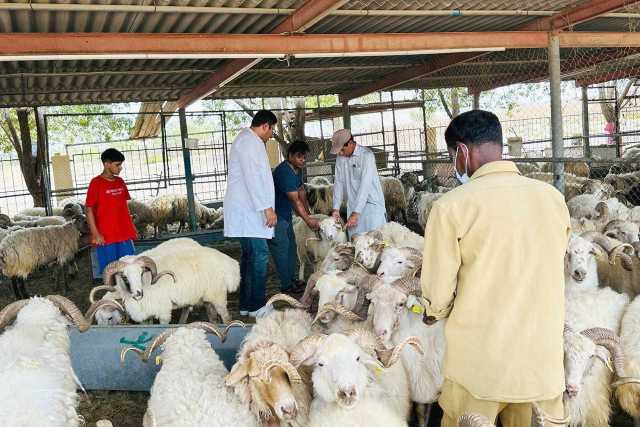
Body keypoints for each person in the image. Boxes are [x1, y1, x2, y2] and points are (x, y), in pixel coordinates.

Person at [419, 110, 571, 426]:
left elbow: (437, 293)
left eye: (451, 156)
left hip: (480, 368)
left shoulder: (451, 207)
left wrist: (432, 311)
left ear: (462, 151)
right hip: (540, 363)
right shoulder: (552, 199)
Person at [224, 110, 278, 318]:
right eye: (271, 129)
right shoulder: (250, 142)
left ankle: (247, 304)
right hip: (250, 211)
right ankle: (257, 305)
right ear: (265, 126)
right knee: (259, 255)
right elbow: (253, 178)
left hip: (248, 211)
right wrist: (267, 208)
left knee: (250, 256)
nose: (271, 134)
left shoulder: (246, 140)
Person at [268, 140, 319, 295]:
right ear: (289, 156)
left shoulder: (297, 169)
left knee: (291, 248)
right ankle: (286, 285)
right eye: (299, 157)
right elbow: (295, 200)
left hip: (285, 216)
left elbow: (301, 190)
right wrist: (308, 219)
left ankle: (291, 279)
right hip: (276, 218)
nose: (302, 160)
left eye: (304, 157)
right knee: (282, 250)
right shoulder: (284, 172)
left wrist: (309, 213)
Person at [86, 148, 138, 275]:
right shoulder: (96, 183)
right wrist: (95, 234)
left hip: (124, 235)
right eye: (117, 165)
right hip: (106, 237)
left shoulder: (120, 182)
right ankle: (114, 294)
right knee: (111, 272)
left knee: (130, 268)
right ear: (106, 164)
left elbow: (123, 207)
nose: (120, 168)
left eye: (121, 165)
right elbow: (88, 210)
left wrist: (132, 227)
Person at [330, 129, 386, 237]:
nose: (340, 153)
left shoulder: (367, 156)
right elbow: (339, 182)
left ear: (350, 143)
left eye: (342, 149)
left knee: (375, 243)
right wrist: (336, 208)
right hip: (353, 206)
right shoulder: (340, 158)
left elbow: (365, 185)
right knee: (356, 243)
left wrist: (356, 213)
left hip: (371, 207)